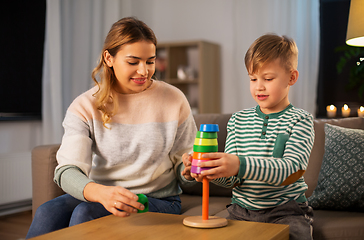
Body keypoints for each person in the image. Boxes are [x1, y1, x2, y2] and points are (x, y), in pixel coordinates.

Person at [26, 17, 197, 239]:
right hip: (102, 193)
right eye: (133, 62)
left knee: (86, 213)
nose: (144, 71)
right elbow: (67, 171)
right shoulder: (85, 106)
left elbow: (183, 168)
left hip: (157, 199)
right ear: (109, 58)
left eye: (150, 61)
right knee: (47, 212)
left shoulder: (174, 99)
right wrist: (100, 192)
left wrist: (188, 171)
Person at [182, 34, 315, 240]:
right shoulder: (238, 120)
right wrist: (211, 170)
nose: (258, 86)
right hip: (241, 211)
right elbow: (233, 179)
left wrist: (239, 164)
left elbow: (292, 170)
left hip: (286, 211)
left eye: (268, 79)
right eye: (253, 78)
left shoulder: (300, 120)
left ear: (292, 77)